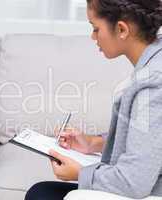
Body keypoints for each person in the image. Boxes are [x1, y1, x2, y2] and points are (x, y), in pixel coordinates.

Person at [25, 0, 162, 199]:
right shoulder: (153, 64)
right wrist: (93, 143)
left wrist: (80, 173)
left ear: (122, 29)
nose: (93, 36)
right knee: (42, 192)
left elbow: (133, 182)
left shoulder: (153, 84)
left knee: (41, 195)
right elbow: (148, 137)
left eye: (96, 29)